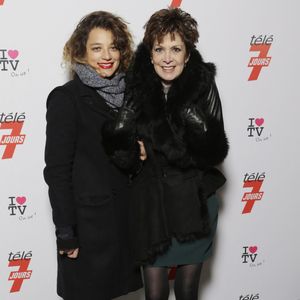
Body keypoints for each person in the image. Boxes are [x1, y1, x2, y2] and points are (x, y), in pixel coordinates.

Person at [102, 8, 229, 300]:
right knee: (155, 294)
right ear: (150, 53)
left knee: (187, 291)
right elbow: (125, 159)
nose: (167, 58)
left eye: (176, 49)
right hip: (152, 206)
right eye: (160, 49)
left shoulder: (202, 83)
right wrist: (122, 133)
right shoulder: (136, 86)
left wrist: (193, 120)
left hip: (193, 204)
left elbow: (215, 151)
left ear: (187, 53)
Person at [43, 11, 142, 300]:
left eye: (113, 47)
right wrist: (66, 232)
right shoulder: (66, 98)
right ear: (82, 53)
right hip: (88, 231)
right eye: (96, 48)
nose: (106, 55)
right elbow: (57, 171)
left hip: (125, 226)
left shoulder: (130, 96)